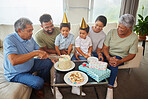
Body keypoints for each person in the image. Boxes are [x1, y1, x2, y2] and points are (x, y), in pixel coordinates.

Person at [3, 18, 53, 98]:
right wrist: (35, 53)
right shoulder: (9, 40)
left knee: (48, 62)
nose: (31, 33)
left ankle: (41, 80)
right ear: (19, 30)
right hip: (16, 73)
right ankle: (39, 86)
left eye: (32, 30)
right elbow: (13, 60)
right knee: (38, 82)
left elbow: (38, 49)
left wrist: (46, 55)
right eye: (29, 31)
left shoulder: (29, 38)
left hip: (30, 64)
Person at [102, 14, 138, 99]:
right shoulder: (112, 32)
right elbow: (105, 47)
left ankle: (110, 87)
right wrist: (108, 57)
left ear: (129, 27)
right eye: (119, 26)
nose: (119, 29)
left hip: (120, 58)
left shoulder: (134, 37)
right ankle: (113, 77)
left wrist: (120, 61)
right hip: (108, 54)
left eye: (122, 28)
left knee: (114, 64)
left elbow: (132, 54)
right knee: (97, 59)